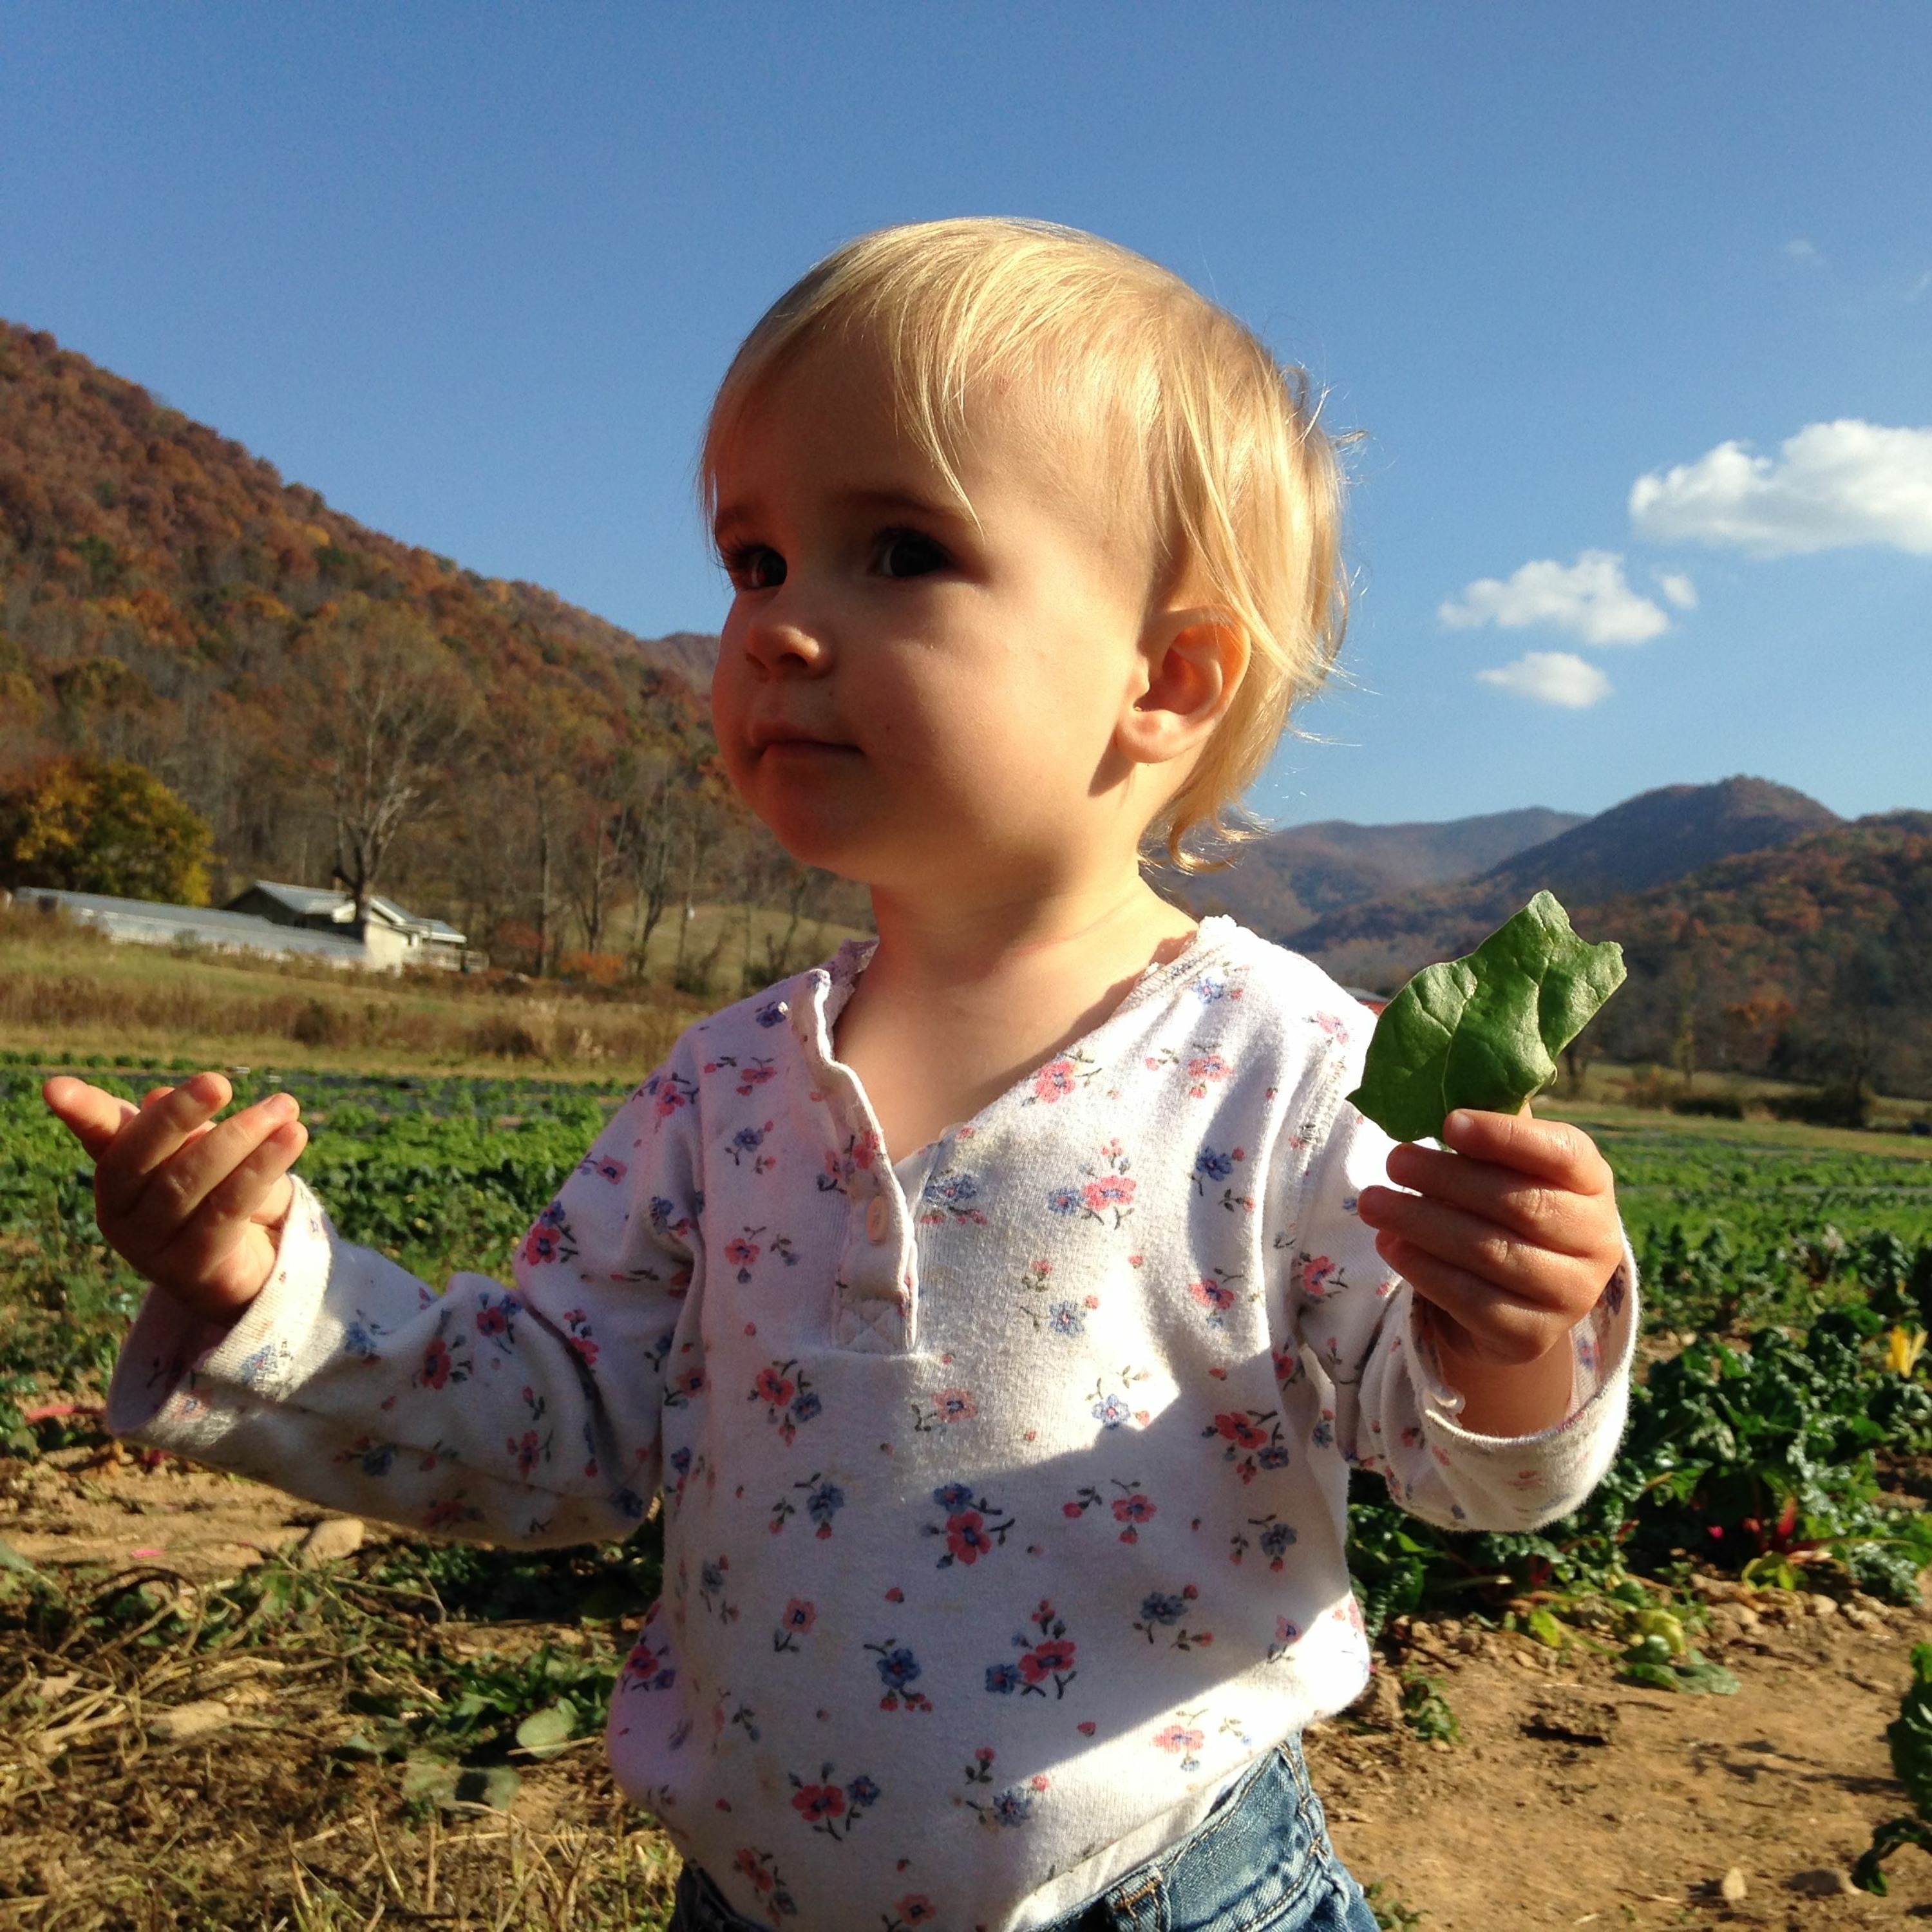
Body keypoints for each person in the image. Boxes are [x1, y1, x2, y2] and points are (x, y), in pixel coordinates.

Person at [44, 218, 1636, 1932]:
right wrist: (262, 1296)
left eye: (898, 551)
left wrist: (1511, 1332)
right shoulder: (726, 1086)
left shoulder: (1285, 1066)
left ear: (1166, 679)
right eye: (755, 560)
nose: (780, 627)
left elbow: (1470, 1469)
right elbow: (559, 1426)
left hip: (1166, 1894)